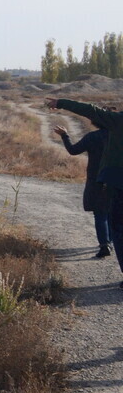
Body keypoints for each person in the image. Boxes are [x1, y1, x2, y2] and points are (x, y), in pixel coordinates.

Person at [47, 98, 123, 285]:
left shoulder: (114, 124)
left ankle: (105, 246)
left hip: (114, 182)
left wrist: (60, 102)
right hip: (113, 182)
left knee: (115, 226)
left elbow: (90, 110)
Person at [54, 121, 112, 257]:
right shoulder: (118, 136)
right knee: (112, 212)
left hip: (96, 179)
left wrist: (64, 135)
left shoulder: (93, 137)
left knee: (100, 213)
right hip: (117, 179)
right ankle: (111, 242)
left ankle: (105, 245)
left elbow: (73, 150)